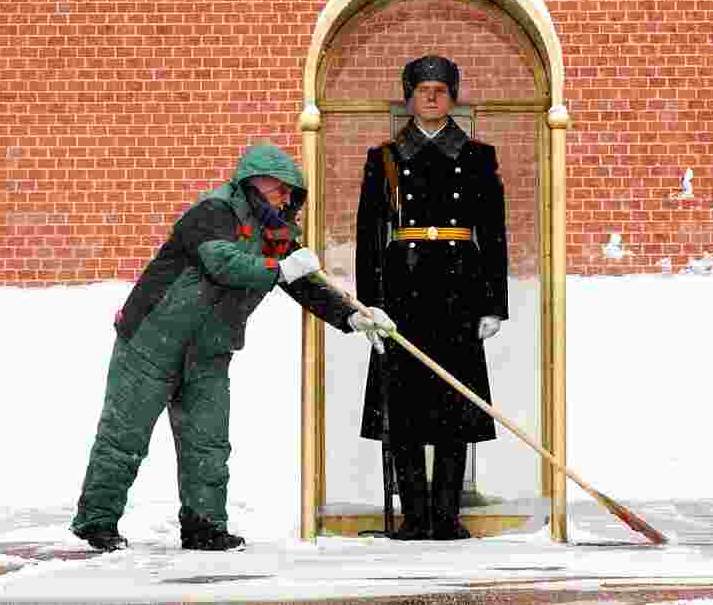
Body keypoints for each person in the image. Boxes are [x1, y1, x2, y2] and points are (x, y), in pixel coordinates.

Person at [71, 141, 396, 552]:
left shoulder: (276, 236)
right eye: (272, 187)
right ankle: (97, 522)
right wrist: (278, 268)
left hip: (209, 351)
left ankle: (204, 526)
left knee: (207, 442)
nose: (280, 196)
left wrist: (353, 315)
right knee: (125, 436)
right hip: (151, 342)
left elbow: (309, 287)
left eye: (286, 190)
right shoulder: (211, 212)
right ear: (248, 183)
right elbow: (222, 262)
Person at [355, 55, 509, 541]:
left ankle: (446, 514)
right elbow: (368, 236)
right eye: (422, 89)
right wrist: (367, 304)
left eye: (441, 89)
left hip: (460, 288)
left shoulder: (479, 157)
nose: (432, 96)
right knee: (403, 407)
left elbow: (494, 234)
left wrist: (493, 304)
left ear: (454, 96)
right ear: (408, 97)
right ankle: (413, 515)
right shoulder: (385, 158)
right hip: (402, 288)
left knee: (454, 402)